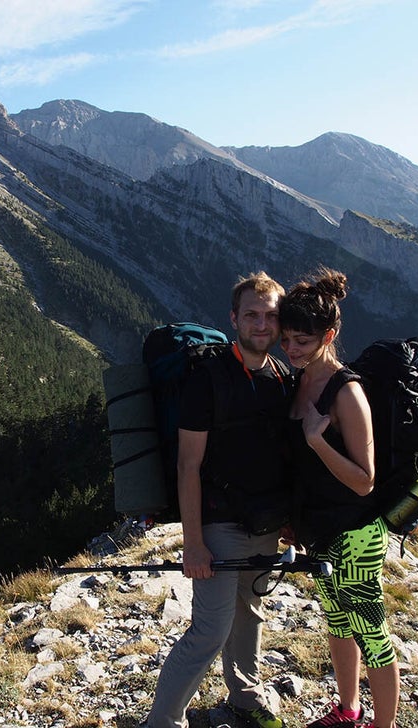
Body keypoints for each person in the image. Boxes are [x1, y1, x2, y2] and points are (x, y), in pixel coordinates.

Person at [143, 272, 294, 728]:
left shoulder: (282, 376)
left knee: (250, 614)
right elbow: (188, 465)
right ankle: (162, 721)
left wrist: (290, 519)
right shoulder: (208, 377)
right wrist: (194, 542)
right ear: (234, 318)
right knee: (210, 630)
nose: (262, 324)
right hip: (219, 525)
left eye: (271, 316)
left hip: (266, 524)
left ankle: (244, 699)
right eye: (252, 314)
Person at [277, 268, 399, 728]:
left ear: (328, 335)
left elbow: (365, 480)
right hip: (321, 534)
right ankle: (348, 710)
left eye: (303, 341)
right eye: (287, 339)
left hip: (357, 536)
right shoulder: (300, 380)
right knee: (339, 625)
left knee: (373, 635)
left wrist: (317, 442)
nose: (291, 350)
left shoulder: (346, 391)